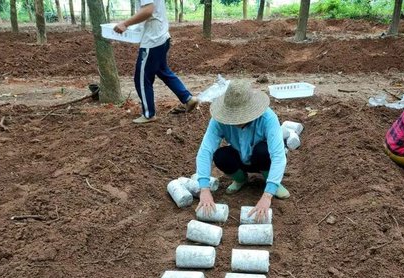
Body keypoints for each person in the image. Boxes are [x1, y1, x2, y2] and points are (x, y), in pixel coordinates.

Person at [195, 80, 289, 223]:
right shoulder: (219, 120)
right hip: (239, 156)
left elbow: (278, 156)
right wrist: (204, 189)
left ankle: (271, 181)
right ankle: (241, 179)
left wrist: (267, 195)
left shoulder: (268, 118)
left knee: (262, 151)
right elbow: (205, 151)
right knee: (220, 156)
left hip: (261, 159)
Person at [114, 0, 198, 124]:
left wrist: (125, 24)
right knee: (163, 71)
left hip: (152, 41)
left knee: (142, 79)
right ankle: (188, 98)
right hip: (162, 37)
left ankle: (148, 114)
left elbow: (148, 10)